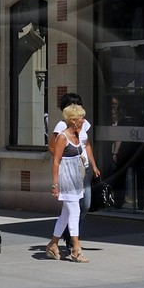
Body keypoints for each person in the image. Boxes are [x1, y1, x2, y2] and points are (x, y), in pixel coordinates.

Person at [48, 103, 101, 262]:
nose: (84, 120)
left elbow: (87, 147)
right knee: (75, 211)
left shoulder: (79, 135)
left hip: (77, 177)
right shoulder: (62, 137)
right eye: (81, 117)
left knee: (66, 214)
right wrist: (55, 184)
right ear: (73, 120)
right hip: (66, 178)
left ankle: (53, 244)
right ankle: (76, 249)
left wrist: (93, 165)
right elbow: (56, 161)